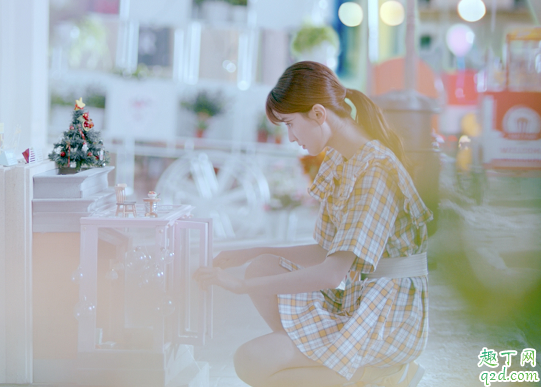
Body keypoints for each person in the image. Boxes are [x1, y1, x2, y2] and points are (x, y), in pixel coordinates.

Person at [193, 61, 433, 387]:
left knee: (250, 361)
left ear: (319, 114)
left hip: (388, 315)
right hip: (358, 298)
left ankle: (380, 375)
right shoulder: (341, 158)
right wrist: (252, 250)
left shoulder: (375, 170)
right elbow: (326, 252)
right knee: (263, 266)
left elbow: (332, 272)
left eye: (291, 124)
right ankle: (332, 368)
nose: (291, 137)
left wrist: (241, 287)